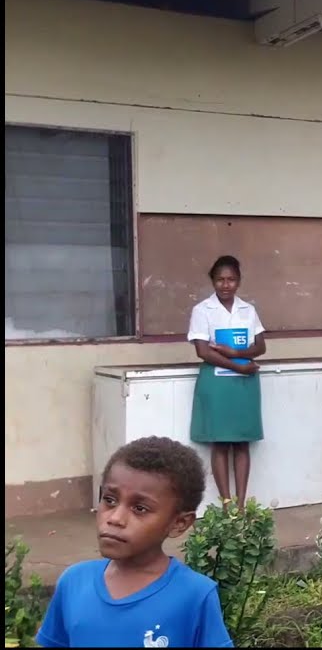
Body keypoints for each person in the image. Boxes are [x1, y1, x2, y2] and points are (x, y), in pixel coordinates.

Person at [37, 436, 233, 648]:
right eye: (110, 500)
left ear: (179, 523)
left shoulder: (195, 595)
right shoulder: (74, 582)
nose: (115, 518)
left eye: (140, 508)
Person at [187, 255, 266, 511]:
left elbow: (260, 346)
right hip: (218, 384)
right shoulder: (202, 310)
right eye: (220, 279)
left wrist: (234, 354)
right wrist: (235, 365)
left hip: (244, 384)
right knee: (220, 441)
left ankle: (241, 505)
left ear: (239, 282)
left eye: (231, 279)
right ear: (212, 281)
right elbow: (203, 351)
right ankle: (226, 503)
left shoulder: (248, 310)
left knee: (241, 441)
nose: (225, 284)